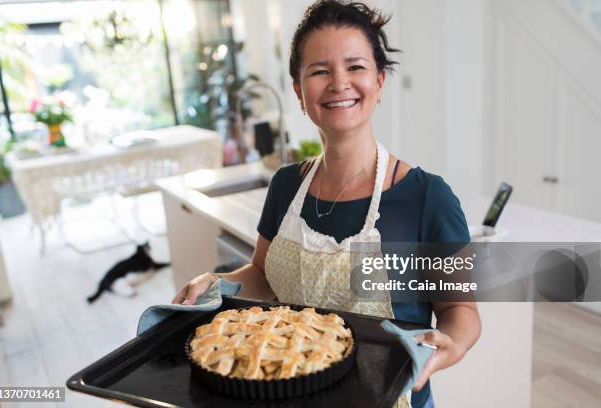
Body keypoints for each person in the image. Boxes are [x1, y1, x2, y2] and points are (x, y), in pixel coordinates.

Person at [172, 1, 481, 407]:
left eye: (355, 67)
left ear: (380, 80)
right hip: (287, 393)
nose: (339, 83)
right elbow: (264, 274)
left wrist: (453, 343)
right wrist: (217, 281)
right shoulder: (286, 185)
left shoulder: (427, 198)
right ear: (300, 92)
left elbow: (460, 307)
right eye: (319, 71)